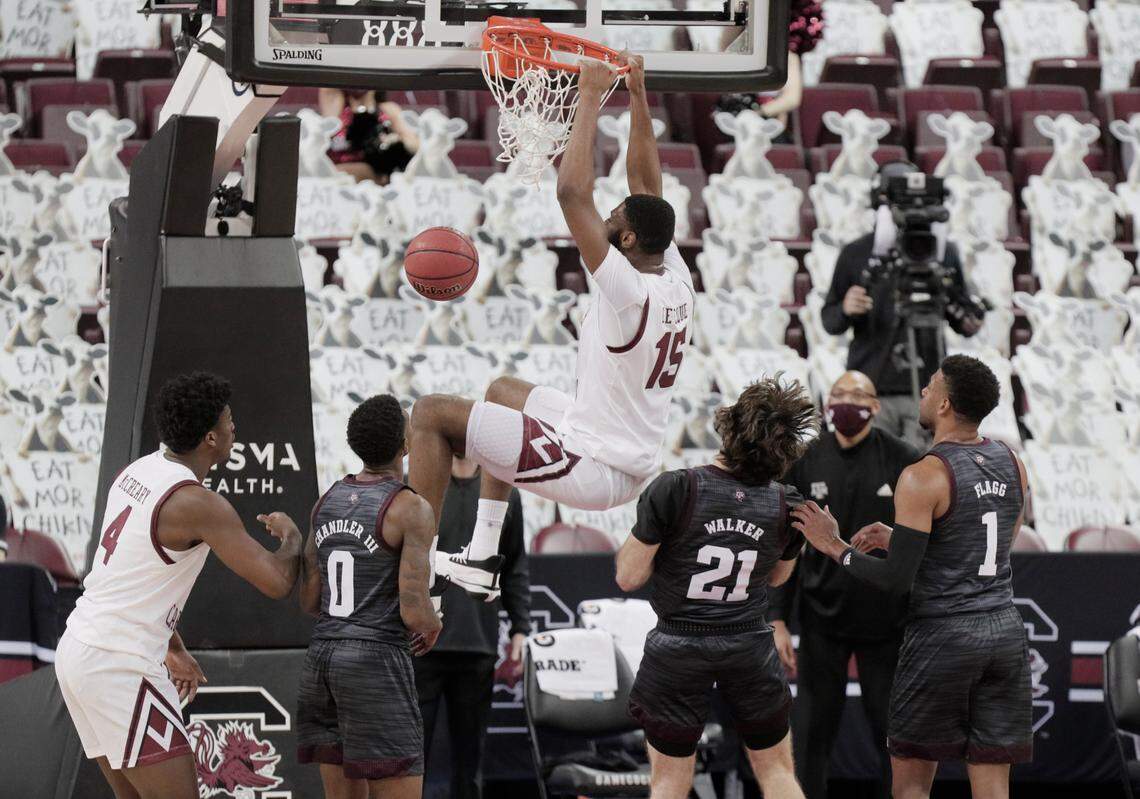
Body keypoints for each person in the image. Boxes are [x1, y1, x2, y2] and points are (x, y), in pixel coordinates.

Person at [408, 53, 695, 600]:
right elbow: (646, 184)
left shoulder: (625, 290)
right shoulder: (674, 274)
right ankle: (483, 556)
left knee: (429, 414)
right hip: (616, 443)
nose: (606, 219)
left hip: (595, 465)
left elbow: (571, 195)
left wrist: (588, 96)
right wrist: (637, 94)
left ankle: (413, 570)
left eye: (615, 221)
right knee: (502, 392)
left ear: (628, 241)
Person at [792, 355, 1032, 799]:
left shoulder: (923, 474)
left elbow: (894, 580)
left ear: (944, 404)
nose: (922, 392)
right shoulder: (1013, 461)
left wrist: (834, 547)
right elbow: (996, 544)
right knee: (994, 783)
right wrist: (905, 537)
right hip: (1003, 632)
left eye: (930, 386)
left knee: (911, 787)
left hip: (943, 635)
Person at [54, 372, 302, 799]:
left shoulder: (139, 469)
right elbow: (277, 582)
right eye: (228, 420)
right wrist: (294, 537)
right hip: (119, 664)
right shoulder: (198, 504)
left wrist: (173, 647)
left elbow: (129, 578)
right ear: (210, 437)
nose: (234, 428)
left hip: (79, 648)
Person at [614, 377, 819, 799]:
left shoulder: (675, 487)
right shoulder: (790, 502)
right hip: (747, 642)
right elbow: (777, 578)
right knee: (778, 772)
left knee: (670, 781)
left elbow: (628, 577)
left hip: (678, 644)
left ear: (729, 425)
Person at [771, 370, 921, 799]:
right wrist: (777, 619)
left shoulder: (903, 458)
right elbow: (788, 546)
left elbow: (917, 544)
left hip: (885, 623)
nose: (845, 402)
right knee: (811, 737)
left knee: (892, 738)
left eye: (856, 395)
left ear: (875, 407)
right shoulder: (807, 458)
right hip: (822, 621)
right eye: (837, 394)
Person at [296, 394, 441, 799]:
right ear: (404, 445)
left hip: (322, 658)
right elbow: (414, 610)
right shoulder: (410, 507)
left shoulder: (326, 501)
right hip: (374, 661)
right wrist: (433, 624)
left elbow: (310, 601)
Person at [821, 161, 984, 448]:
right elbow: (830, 321)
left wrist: (969, 312)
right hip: (872, 385)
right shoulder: (856, 253)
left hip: (926, 389)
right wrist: (846, 308)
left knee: (922, 472)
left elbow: (965, 321)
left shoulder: (943, 253)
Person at [414, 455, 530, 799]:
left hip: (477, 644)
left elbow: (514, 564)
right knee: (411, 761)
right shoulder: (420, 483)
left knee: (470, 765)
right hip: (422, 645)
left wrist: (520, 631)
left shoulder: (501, 492)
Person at [319, 88, 420, 184]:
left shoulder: (387, 109)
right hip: (336, 173)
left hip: (372, 173)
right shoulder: (337, 106)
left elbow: (414, 144)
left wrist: (395, 139)